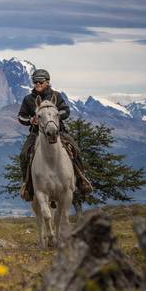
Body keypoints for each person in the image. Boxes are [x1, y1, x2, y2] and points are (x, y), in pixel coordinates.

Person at [17, 69, 93, 199]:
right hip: (36, 133)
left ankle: (81, 179)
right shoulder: (28, 99)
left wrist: (56, 117)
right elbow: (21, 117)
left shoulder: (57, 96)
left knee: (76, 149)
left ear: (47, 82)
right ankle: (27, 185)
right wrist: (30, 120)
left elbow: (66, 111)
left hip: (59, 131)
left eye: (40, 81)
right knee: (24, 154)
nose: (37, 84)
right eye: (35, 81)